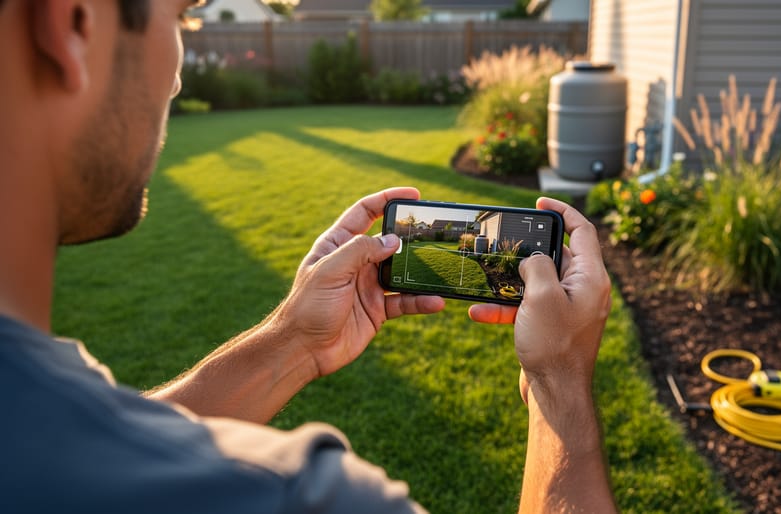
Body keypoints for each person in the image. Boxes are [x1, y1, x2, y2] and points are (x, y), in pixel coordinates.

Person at [0, 1, 618, 512]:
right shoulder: (293, 497)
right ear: (73, 21)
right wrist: (558, 380)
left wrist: (295, 339)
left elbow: (101, 448)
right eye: (182, 17)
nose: (180, 75)